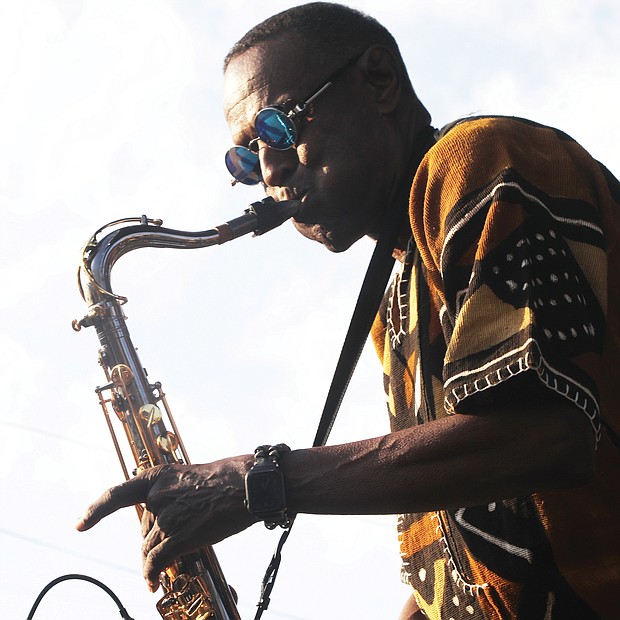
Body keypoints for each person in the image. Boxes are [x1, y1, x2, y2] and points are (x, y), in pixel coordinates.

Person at [76, 3, 620, 618]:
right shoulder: (398, 292)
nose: (272, 171)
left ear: (379, 81)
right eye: (248, 158)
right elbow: (454, 555)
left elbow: (550, 435)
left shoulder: (476, 163)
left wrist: (259, 484)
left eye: (279, 128)